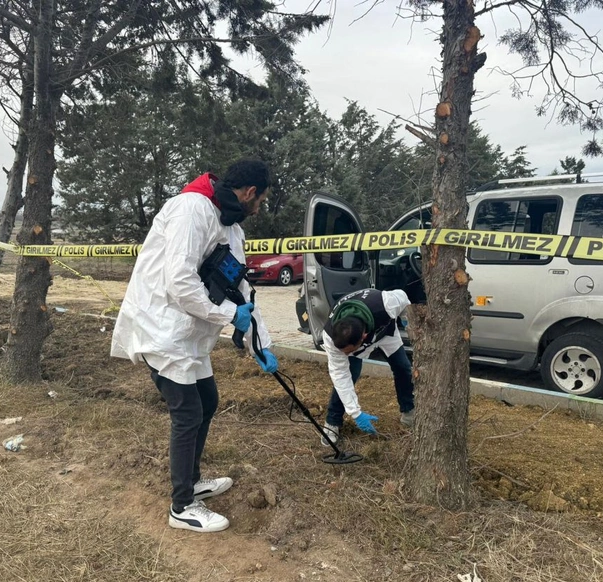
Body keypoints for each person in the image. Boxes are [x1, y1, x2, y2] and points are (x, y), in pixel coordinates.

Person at [111, 160, 279, 533]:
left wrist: (259, 343)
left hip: (187, 332)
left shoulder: (230, 225)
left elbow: (241, 290)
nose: (261, 207)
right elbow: (181, 283)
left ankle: (192, 481)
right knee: (187, 412)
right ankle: (181, 505)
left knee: (209, 401)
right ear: (250, 193)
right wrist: (225, 316)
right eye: (262, 200)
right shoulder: (191, 209)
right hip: (163, 327)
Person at [319, 288, 415, 446]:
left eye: (349, 351)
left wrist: (407, 320)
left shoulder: (387, 304)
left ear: (363, 338)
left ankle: (408, 411)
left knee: (403, 368)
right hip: (362, 336)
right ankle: (332, 422)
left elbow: (404, 297)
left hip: (385, 332)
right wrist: (356, 413)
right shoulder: (331, 337)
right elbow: (340, 376)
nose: (345, 355)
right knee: (349, 374)